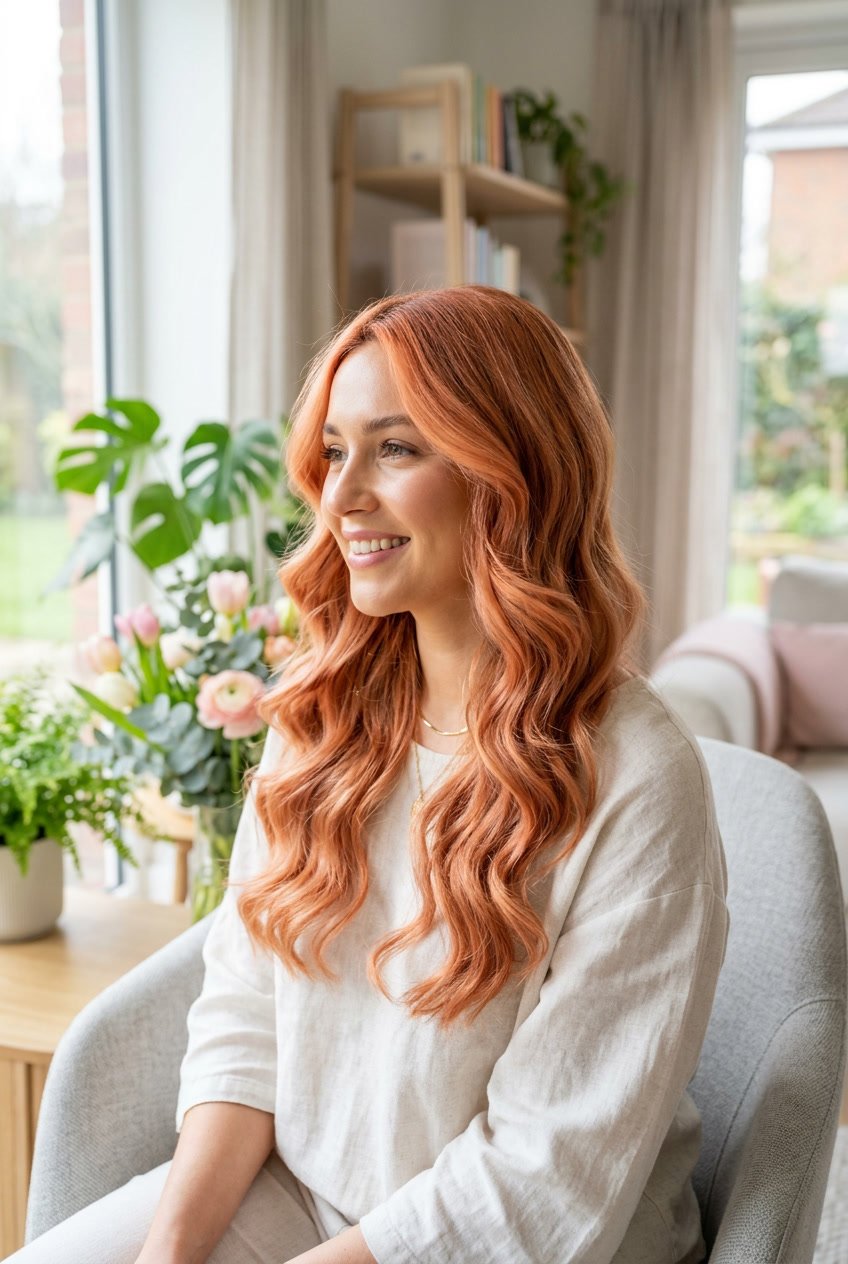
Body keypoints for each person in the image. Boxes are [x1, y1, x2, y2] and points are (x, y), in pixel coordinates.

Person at [11, 285, 728, 1264]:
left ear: (510, 472)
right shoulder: (322, 716)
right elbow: (247, 1012)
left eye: (395, 448)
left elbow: (541, 1182)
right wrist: (167, 1254)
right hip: (307, 1195)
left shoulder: (638, 781)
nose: (342, 497)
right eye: (336, 451)